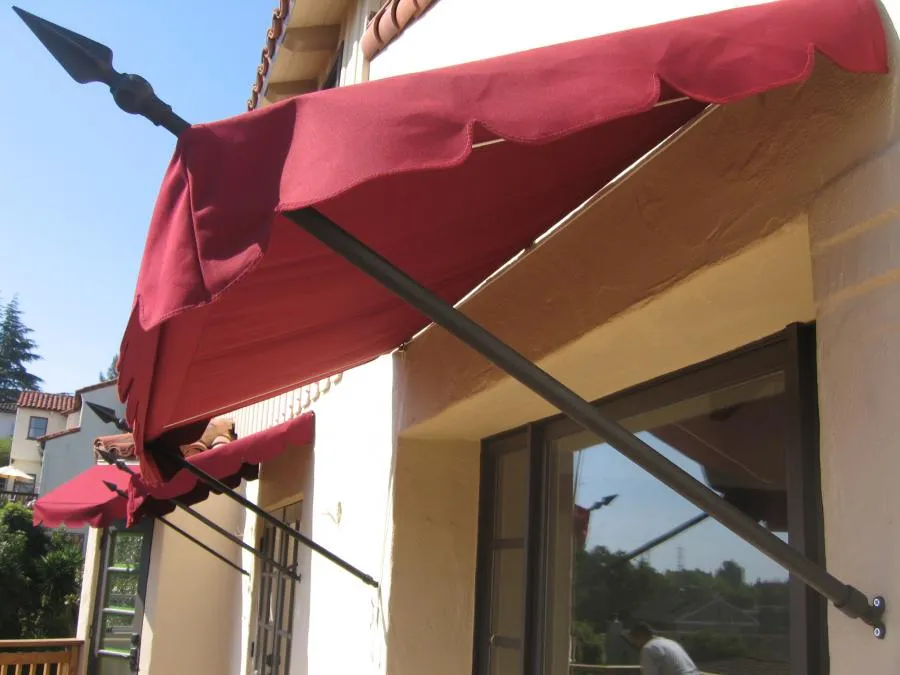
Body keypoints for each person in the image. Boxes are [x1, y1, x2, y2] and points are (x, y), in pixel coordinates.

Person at [623, 622, 699, 675]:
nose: (634, 644)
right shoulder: (670, 642)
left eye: (634, 639)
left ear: (641, 636)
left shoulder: (648, 649)